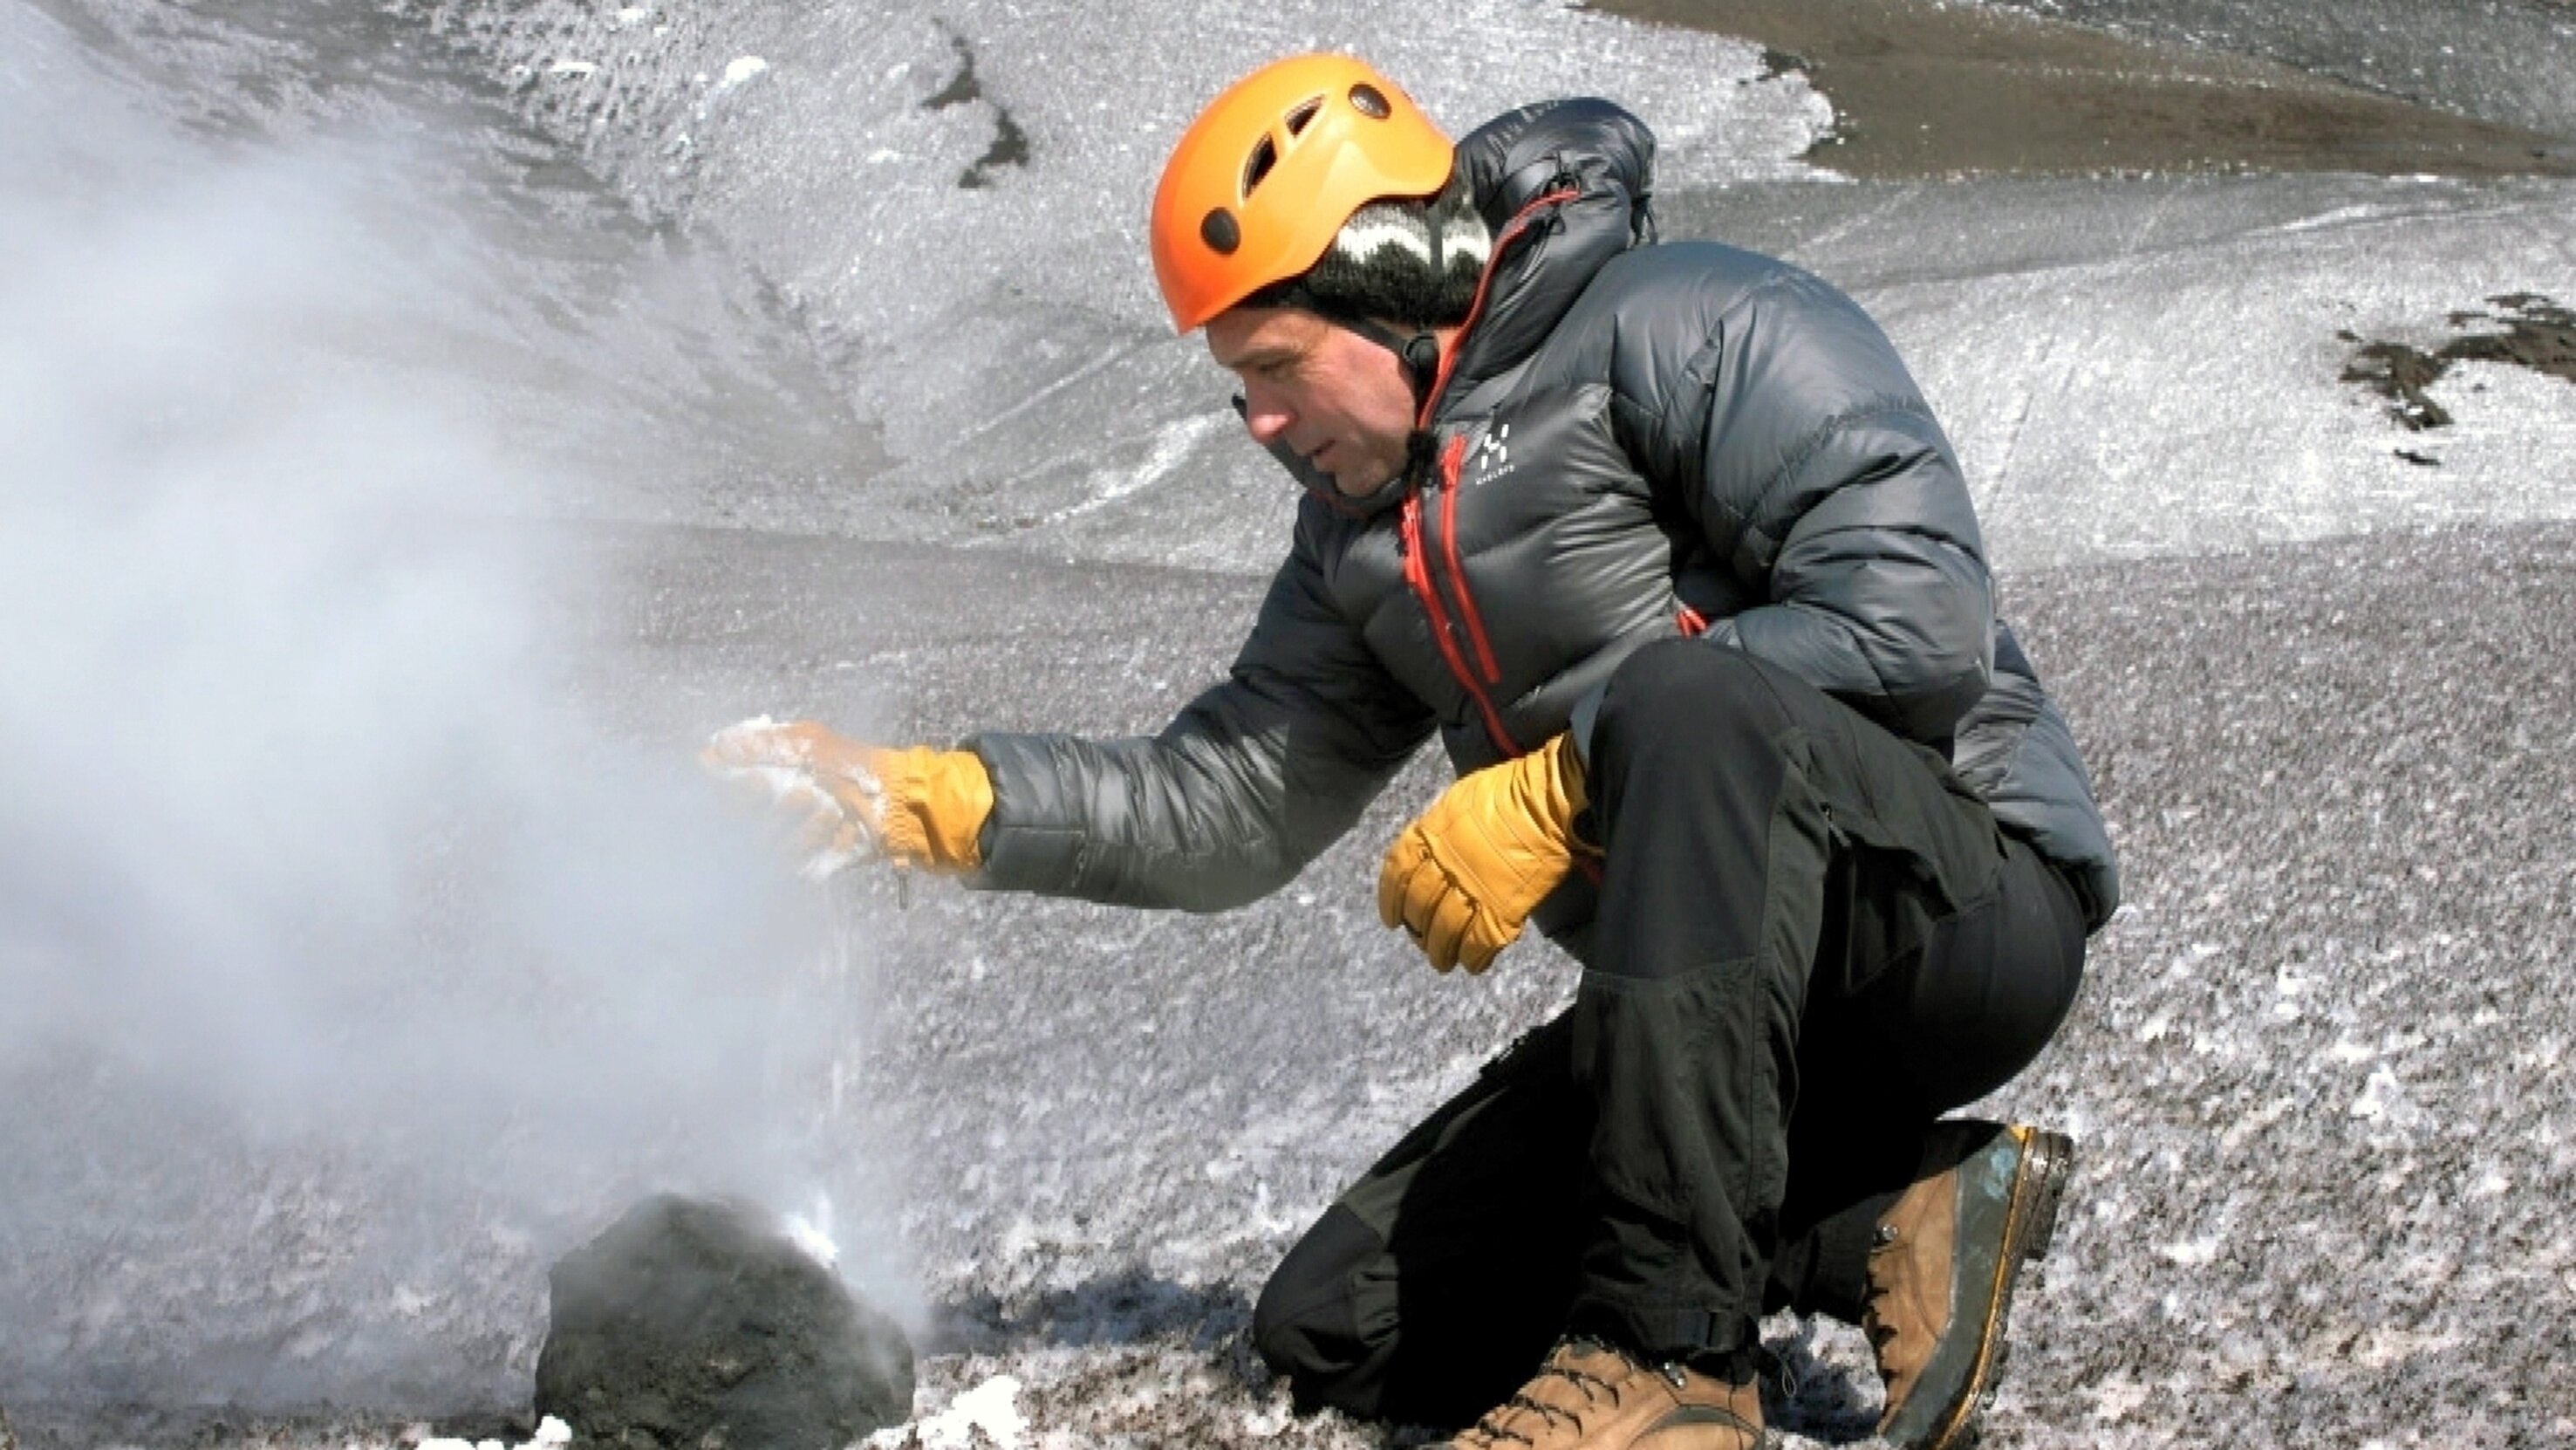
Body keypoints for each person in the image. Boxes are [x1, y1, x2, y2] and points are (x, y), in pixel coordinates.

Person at [710, 52, 2118, 1450]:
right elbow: (1232, 803)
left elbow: (1915, 622)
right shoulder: (1356, 545)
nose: (1257, 422)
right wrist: (928, 800)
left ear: (1390, 303)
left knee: (1684, 704)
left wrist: (1574, 781)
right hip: (1714, 1007)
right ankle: (1890, 1218)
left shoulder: (1693, 318)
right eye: (1236, 385)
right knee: (1342, 1322)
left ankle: (1670, 1365)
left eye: (1273, 366)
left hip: (1951, 914)